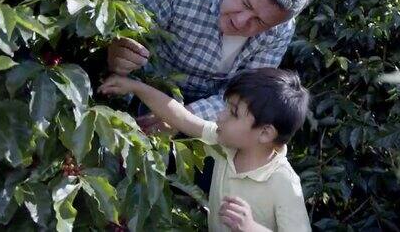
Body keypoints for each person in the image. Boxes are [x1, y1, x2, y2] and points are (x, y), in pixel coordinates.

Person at [107, 0, 314, 126]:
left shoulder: (281, 29)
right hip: (145, 89)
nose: (241, 22)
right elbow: (119, 29)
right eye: (245, 3)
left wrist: (181, 120)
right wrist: (117, 50)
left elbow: (245, 95)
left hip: (215, 115)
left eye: (260, 22)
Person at [98, 68, 312, 232]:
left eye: (233, 112)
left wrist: (251, 228)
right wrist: (136, 87)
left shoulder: (283, 182)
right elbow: (181, 118)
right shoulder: (226, 144)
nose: (220, 116)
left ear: (265, 133)